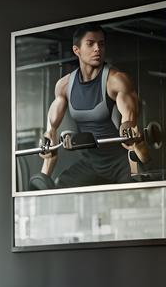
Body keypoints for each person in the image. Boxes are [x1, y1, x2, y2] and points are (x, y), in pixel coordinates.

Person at [35, 23, 151, 188]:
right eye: (90, 44)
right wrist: (48, 140)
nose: (97, 48)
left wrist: (128, 126)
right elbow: (51, 131)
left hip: (121, 162)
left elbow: (129, 120)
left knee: (135, 192)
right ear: (77, 50)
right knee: (61, 186)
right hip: (91, 163)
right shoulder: (64, 86)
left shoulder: (116, 80)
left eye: (101, 44)